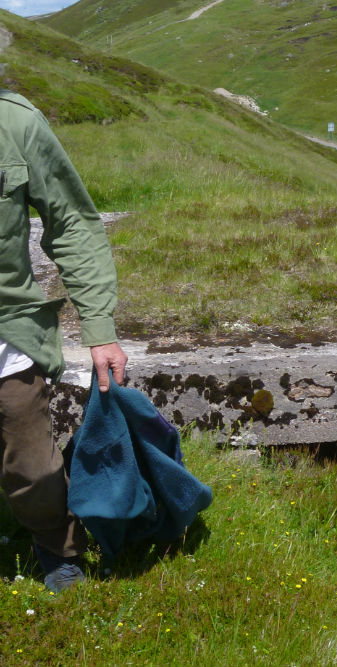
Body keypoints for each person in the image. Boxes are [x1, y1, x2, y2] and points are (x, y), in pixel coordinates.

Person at [0, 89, 127, 592]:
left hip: (7, 335)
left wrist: (99, 328)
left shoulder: (16, 123)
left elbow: (72, 222)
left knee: (34, 468)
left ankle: (57, 547)